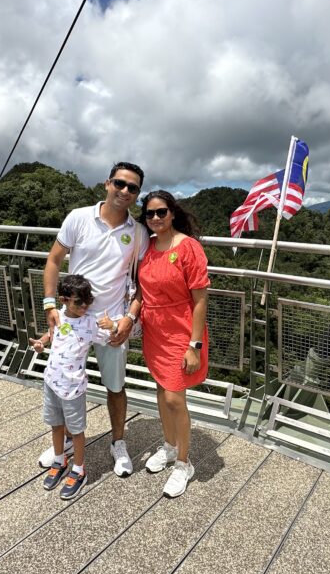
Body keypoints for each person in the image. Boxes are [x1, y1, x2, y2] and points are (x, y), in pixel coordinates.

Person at [42, 162, 148, 477]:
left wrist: (130, 317)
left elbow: (144, 282)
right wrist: (50, 303)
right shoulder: (79, 218)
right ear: (107, 183)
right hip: (72, 318)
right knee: (63, 381)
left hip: (111, 324)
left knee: (115, 387)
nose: (125, 191)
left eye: (133, 188)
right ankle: (66, 444)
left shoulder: (138, 232)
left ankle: (118, 442)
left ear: (137, 194)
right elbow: (53, 258)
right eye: (120, 183)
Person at [130, 190, 209, 498]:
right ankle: (168, 446)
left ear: (172, 213)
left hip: (181, 330)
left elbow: (201, 300)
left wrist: (195, 345)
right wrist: (130, 316)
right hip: (154, 330)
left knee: (176, 399)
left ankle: (184, 463)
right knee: (162, 392)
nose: (155, 218)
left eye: (161, 212)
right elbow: (141, 292)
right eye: (149, 214)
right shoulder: (147, 247)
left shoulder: (189, 247)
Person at [29, 274, 109, 500]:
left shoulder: (90, 322)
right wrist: (41, 343)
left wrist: (113, 325)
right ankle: (59, 459)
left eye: (87, 301)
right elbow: (51, 333)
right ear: (64, 300)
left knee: (76, 432)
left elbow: (110, 337)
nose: (84, 306)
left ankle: (79, 469)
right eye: (78, 302)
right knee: (56, 426)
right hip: (52, 382)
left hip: (73, 388)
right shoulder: (59, 316)